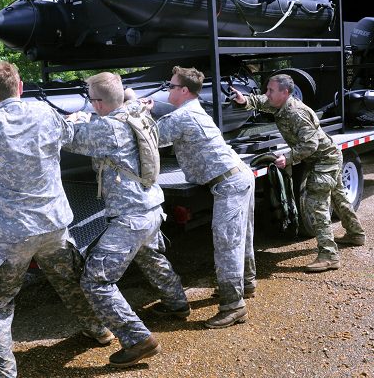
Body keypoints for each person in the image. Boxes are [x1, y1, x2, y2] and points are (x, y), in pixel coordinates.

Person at [0, 61, 112, 378]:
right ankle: (99, 330)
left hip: (12, 235)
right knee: (70, 281)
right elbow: (71, 131)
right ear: (21, 87)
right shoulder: (45, 114)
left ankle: (6, 373)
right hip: (54, 226)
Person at [64, 72, 189, 367]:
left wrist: (74, 120)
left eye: (92, 100)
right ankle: (177, 302)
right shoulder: (135, 111)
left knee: (96, 280)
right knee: (150, 255)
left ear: (98, 102)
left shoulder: (106, 128)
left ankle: (137, 340)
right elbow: (128, 102)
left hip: (130, 216)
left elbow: (67, 138)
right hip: (152, 207)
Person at [150, 66, 255, 329]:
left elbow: (149, 138)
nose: (168, 89)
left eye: (171, 86)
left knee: (227, 243)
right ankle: (247, 283)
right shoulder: (193, 110)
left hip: (228, 183)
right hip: (238, 176)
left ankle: (233, 306)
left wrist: (135, 108)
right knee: (242, 237)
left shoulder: (182, 116)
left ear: (183, 90)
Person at [231, 73, 366, 272]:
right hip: (324, 156)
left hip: (324, 159)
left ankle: (329, 255)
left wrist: (288, 158)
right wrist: (245, 101)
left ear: (285, 92)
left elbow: (309, 144)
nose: (266, 93)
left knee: (315, 204)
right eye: (267, 89)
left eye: (270, 90)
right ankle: (356, 234)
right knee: (338, 197)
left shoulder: (296, 113)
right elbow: (261, 102)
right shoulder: (278, 103)